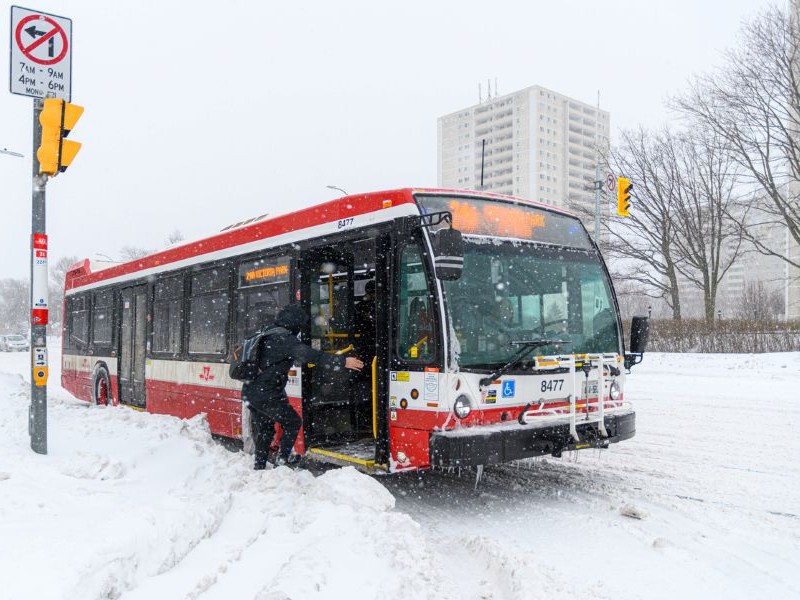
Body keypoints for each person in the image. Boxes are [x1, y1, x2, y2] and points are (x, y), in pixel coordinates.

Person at [242, 303, 364, 469]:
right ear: (294, 323)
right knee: (292, 422)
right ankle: (282, 461)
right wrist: (343, 361)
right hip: (266, 392)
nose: (300, 329)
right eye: (300, 324)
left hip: (251, 391)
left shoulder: (267, 331)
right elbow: (311, 356)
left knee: (265, 428)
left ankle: (260, 465)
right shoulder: (284, 339)